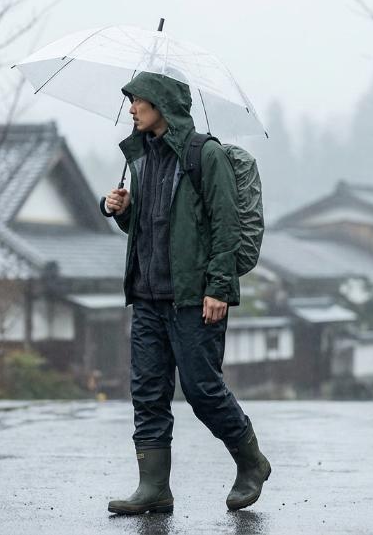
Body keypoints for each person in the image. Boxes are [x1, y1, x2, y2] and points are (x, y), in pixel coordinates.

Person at [101, 71, 271, 515]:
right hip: (148, 296)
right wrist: (121, 212)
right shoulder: (143, 156)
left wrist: (219, 287)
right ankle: (153, 488)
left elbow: (225, 224)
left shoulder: (204, 154)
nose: (132, 108)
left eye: (138, 100)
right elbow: (150, 227)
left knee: (202, 390)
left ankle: (251, 462)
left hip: (196, 299)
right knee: (148, 391)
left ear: (161, 105)